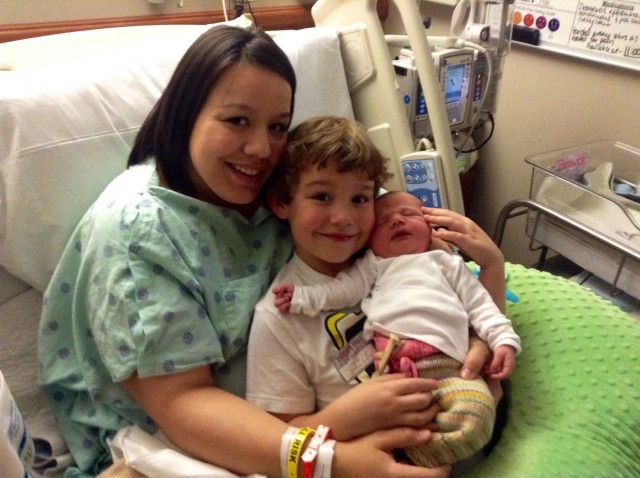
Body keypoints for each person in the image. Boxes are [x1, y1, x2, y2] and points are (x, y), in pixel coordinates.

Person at [36, 26, 491, 478]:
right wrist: (334, 461)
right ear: (186, 114)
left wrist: (466, 333)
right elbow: (182, 403)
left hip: (333, 405)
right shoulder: (137, 232)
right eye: (237, 121)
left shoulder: (286, 180)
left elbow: (407, 246)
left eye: (277, 126)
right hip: (171, 445)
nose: (260, 148)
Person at [246, 116, 513, 474]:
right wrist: (342, 419)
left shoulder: (398, 255)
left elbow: (471, 304)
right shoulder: (279, 318)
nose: (343, 217)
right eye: (322, 196)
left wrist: (491, 272)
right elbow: (278, 438)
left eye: (360, 198)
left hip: (462, 415)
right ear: (281, 202)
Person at [271, 189, 521, 467]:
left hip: (451, 364)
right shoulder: (373, 266)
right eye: (383, 221)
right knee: (393, 426)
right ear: (369, 240)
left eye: (409, 214)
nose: (397, 221)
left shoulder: (446, 263)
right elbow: (338, 292)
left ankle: (433, 458)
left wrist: (502, 339)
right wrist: (301, 298)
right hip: (396, 368)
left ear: (430, 227)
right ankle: (414, 457)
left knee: (476, 412)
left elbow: (481, 306)